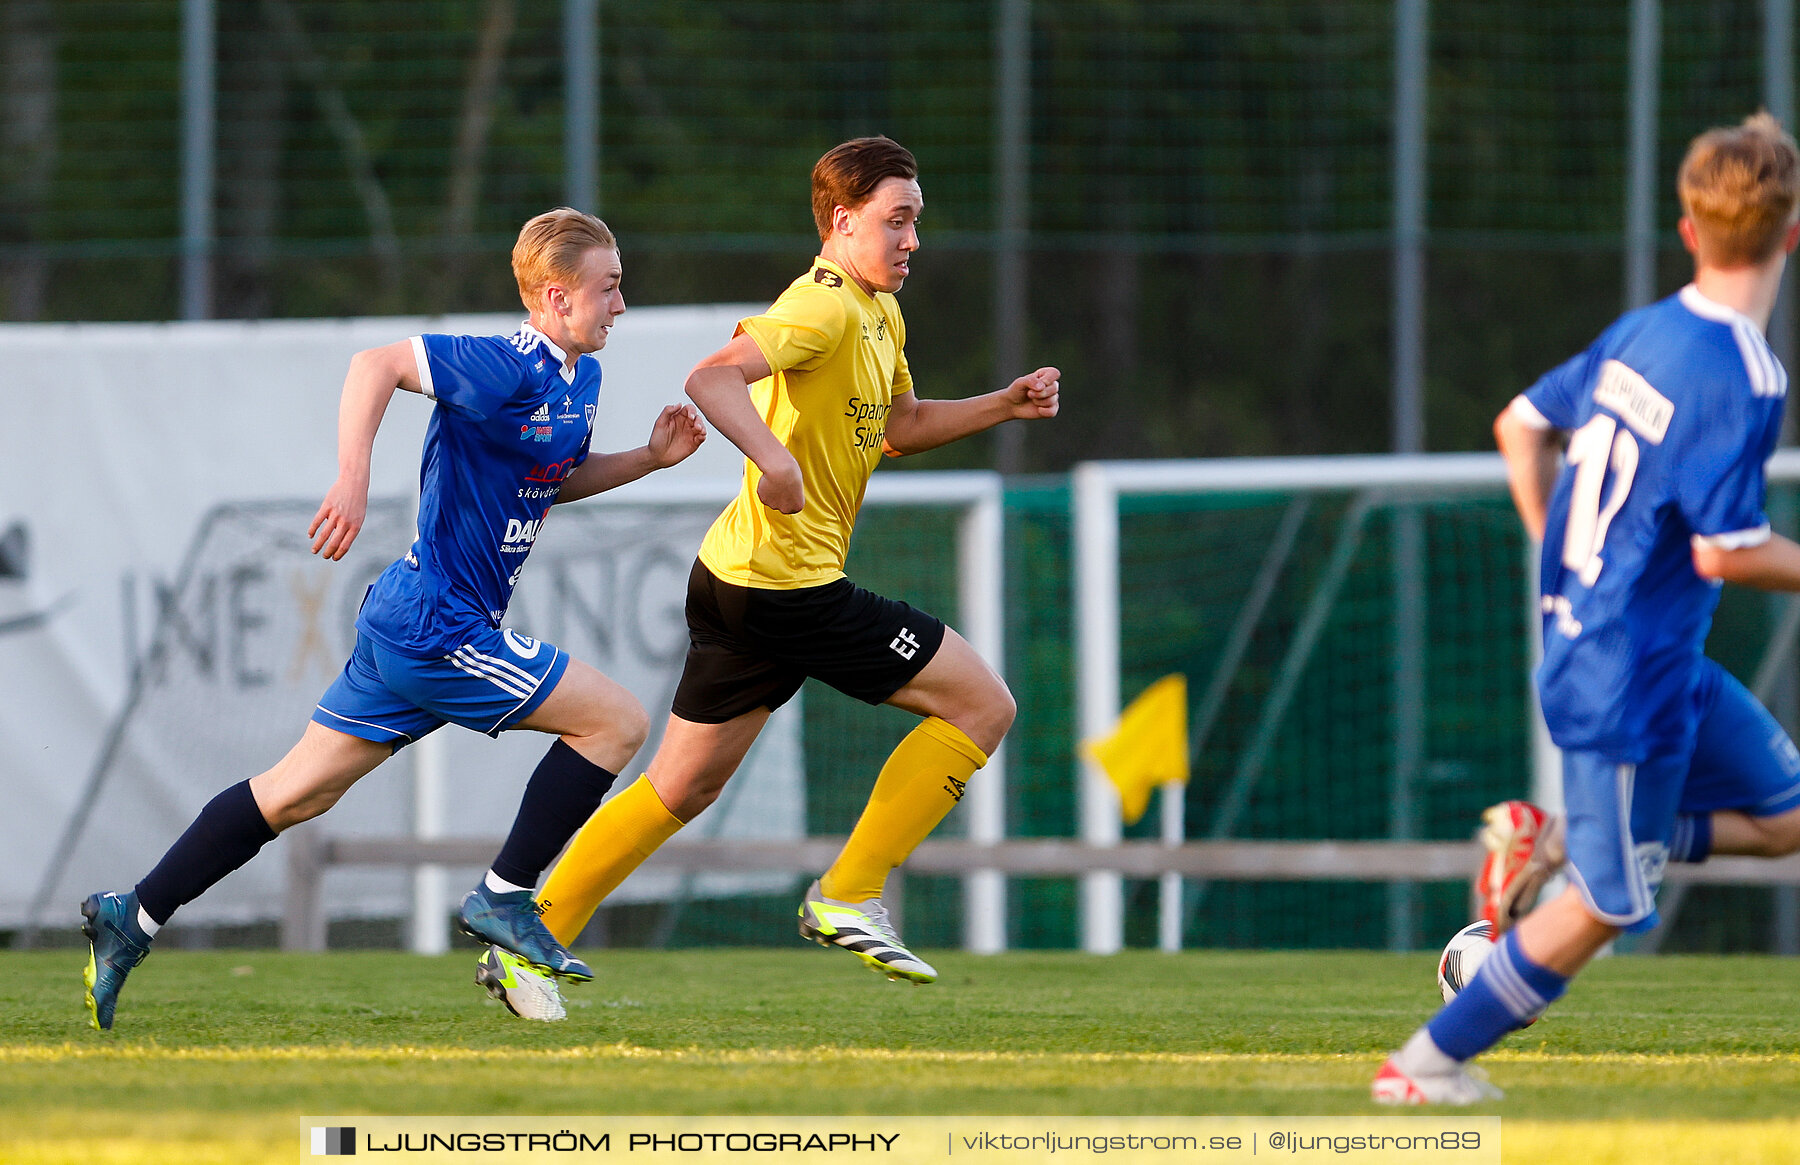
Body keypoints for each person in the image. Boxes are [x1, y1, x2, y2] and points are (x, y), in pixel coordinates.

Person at [80, 208, 707, 1030]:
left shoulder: (578, 378)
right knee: (617, 723)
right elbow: (374, 364)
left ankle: (133, 915)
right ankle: (504, 899)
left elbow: (553, 476)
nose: (621, 303)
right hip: (439, 624)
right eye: (609, 287)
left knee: (294, 793)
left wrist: (647, 461)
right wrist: (352, 478)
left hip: (413, 619)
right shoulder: (505, 363)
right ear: (556, 296)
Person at [478, 136, 1060, 1017]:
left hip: (737, 577)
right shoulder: (820, 308)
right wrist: (770, 458)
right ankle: (848, 890)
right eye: (895, 221)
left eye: (916, 222)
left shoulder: (880, 314)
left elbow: (898, 425)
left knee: (681, 785)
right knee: (983, 704)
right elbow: (711, 378)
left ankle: (527, 936)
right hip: (788, 587)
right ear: (840, 221)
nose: (911, 240)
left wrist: (1005, 402)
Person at [1374, 113, 1800, 1104]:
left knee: (1786, 822)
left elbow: (1520, 423)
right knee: (1611, 904)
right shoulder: (1745, 371)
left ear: (1690, 229)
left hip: (1658, 660)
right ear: (1789, 234)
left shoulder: (1646, 331)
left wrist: (1558, 554)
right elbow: (1724, 549)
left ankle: (1556, 839)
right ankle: (1426, 1062)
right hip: (1624, 674)